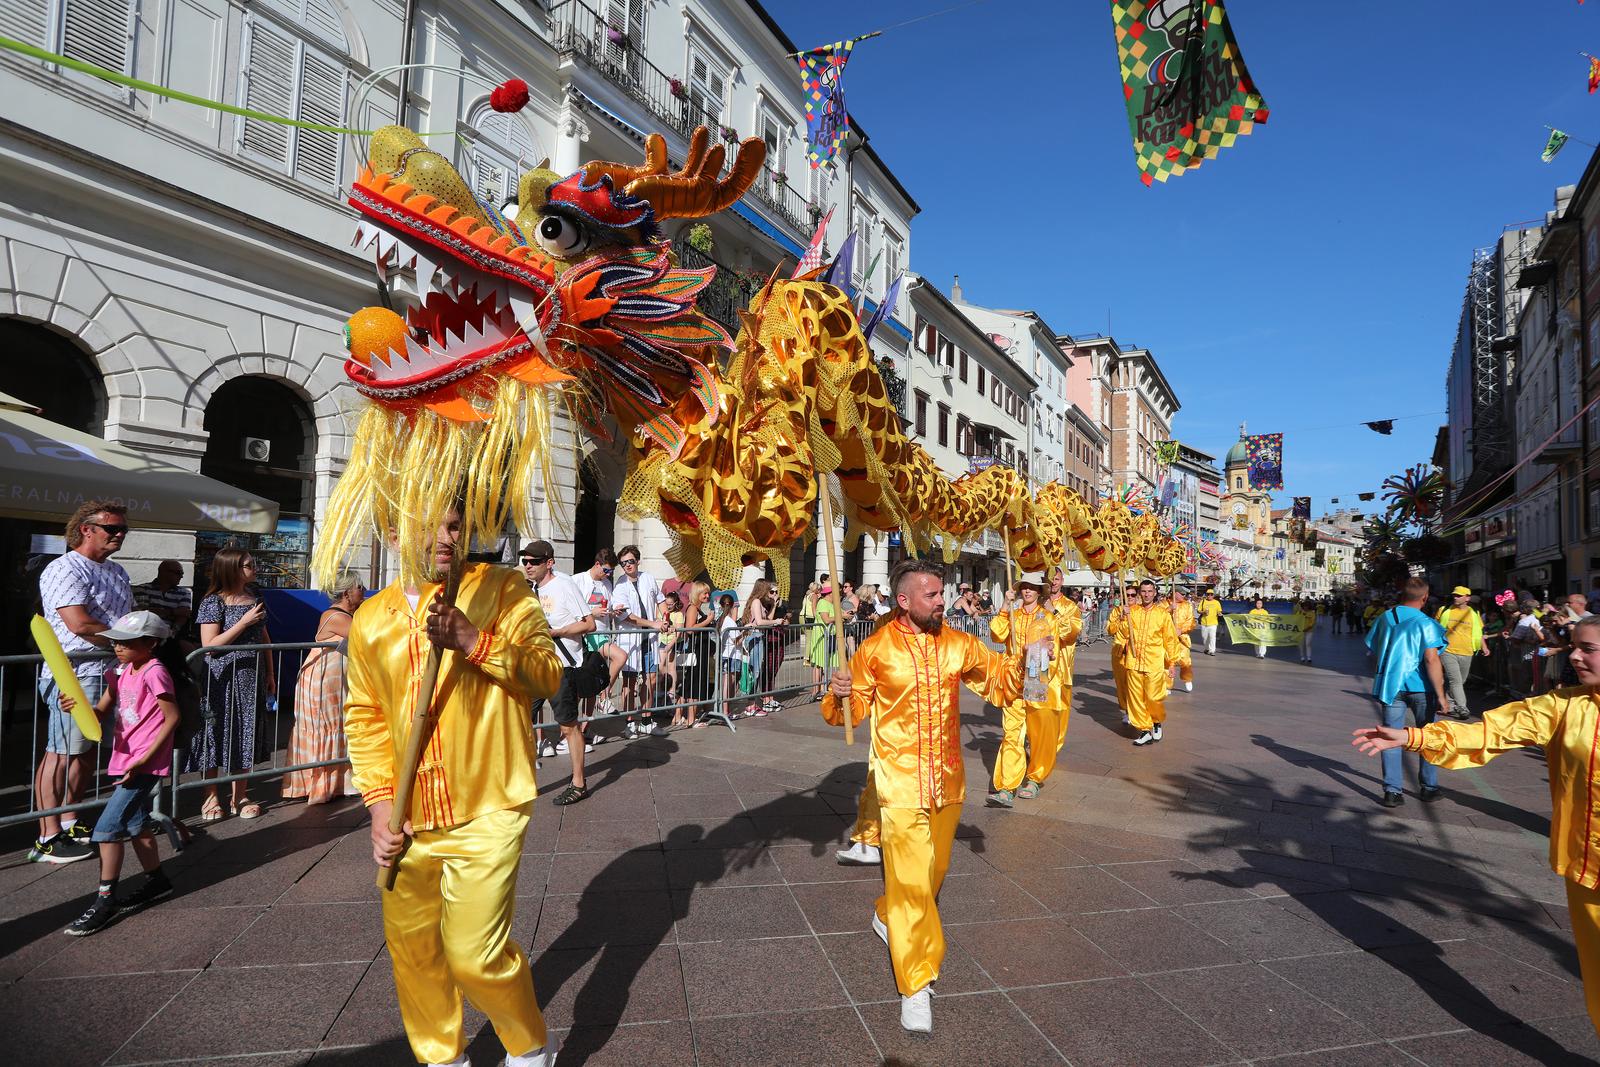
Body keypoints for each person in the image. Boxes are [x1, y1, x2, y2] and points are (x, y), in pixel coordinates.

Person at [347, 506, 563, 1067]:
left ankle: (529, 1046)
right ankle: (441, 1057)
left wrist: (474, 639)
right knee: (414, 953)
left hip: (489, 802)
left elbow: (547, 674)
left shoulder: (503, 588)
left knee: (473, 955)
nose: (449, 538)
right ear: (394, 532)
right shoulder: (371, 618)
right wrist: (375, 804)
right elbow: (366, 715)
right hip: (406, 816)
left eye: (455, 525)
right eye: (432, 525)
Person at [1352, 614, 1600, 1042]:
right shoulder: (1565, 706)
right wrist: (1415, 738)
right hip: (1588, 870)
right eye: (1573, 644)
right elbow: (1491, 730)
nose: (1574, 655)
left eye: (1588, 648)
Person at [823, 559, 1022, 1035]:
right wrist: (840, 694)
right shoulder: (875, 650)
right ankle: (916, 983)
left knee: (933, 876)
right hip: (900, 783)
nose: (941, 601)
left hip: (948, 781)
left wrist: (1023, 659)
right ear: (904, 600)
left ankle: (885, 913)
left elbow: (999, 683)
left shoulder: (957, 642)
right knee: (913, 883)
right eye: (932, 595)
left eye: (941, 593)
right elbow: (849, 714)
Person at [57, 610, 181, 935]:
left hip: (143, 764)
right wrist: (75, 706)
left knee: (107, 829)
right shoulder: (120, 672)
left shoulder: (155, 671)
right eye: (116, 642)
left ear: (151, 643)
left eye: (126, 643)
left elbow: (172, 717)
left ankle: (105, 898)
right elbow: (99, 712)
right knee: (137, 823)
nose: (118, 648)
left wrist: (145, 760)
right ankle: (157, 880)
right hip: (127, 760)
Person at [31, 500, 134, 864]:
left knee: (87, 752)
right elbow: (79, 623)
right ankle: (47, 834)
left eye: (123, 529)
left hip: (109, 670)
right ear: (86, 529)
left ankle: (70, 818)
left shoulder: (118, 571)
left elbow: (123, 619)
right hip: (73, 673)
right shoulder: (64, 568)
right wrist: (127, 640)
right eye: (112, 528)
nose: (120, 534)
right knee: (60, 752)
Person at [524, 541, 626, 804]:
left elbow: (589, 624)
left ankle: (579, 783)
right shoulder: (531, 589)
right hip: (537, 666)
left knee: (568, 728)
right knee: (520, 722)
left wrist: (557, 632)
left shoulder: (564, 585)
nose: (528, 566)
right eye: (525, 561)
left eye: (534, 562)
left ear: (549, 562)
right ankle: (523, 783)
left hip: (562, 668)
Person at [188, 548, 274, 821]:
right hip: (221, 677)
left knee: (244, 732)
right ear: (233, 569)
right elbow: (209, 646)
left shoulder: (255, 597)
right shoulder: (213, 602)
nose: (255, 568)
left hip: (252, 674)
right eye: (249, 565)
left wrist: (270, 672)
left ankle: (240, 794)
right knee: (215, 732)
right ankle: (210, 796)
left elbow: (264, 638)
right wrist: (244, 621)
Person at [1363, 577, 1449, 808]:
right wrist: (1441, 695)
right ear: (1425, 597)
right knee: (1428, 737)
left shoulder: (1385, 618)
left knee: (1389, 737)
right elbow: (1431, 659)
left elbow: (1374, 647)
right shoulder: (1426, 622)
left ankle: (1392, 791)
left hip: (1391, 686)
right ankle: (1429, 787)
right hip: (1422, 687)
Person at [283, 570, 365, 804]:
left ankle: (339, 783)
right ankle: (320, 784)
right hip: (323, 681)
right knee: (327, 726)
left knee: (338, 725)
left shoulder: (348, 614)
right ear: (347, 591)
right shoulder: (337, 616)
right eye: (360, 587)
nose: (364, 591)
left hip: (333, 680)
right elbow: (367, 637)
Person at [987, 574, 1055, 807]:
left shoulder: (1046, 617)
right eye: (1024, 587)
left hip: (1036, 679)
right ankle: (1007, 786)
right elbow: (997, 634)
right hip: (1012, 680)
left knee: (1037, 734)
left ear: (1039, 592)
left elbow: (1051, 645)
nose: (1027, 591)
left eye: (1032, 587)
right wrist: (1005, 606)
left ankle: (1035, 779)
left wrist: (1049, 651)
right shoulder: (1012, 615)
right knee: (1012, 734)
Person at [1107, 580, 1181, 747]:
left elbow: (1170, 640)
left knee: (1153, 697)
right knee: (1135, 699)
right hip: (1134, 662)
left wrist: (1171, 663)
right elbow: (1122, 632)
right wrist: (1122, 616)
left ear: (1155, 593)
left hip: (1154, 662)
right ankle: (1145, 729)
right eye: (1144, 591)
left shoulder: (1162, 614)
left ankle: (1156, 721)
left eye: (1150, 591)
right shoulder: (1133, 612)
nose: (1146, 594)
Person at [610, 545, 665, 737]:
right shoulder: (620, 585)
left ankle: (647, 720)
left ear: (637, 561)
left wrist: (664, 618)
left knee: (650, 679)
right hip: (630, 639)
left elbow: (660, 600)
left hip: (648, 639)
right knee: (629, 682)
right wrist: (653, 623)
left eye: (630, 561)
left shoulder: (648, 578)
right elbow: (625, 616)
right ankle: (629, 722)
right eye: (623, 563)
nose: (627, 565)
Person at [1435, 585, 1485, 720]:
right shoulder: (1444, 610)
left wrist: (1484, 647)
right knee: (1455, 680)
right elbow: (1434, 629)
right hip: (1448, 651)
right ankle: (1462, 707)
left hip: (1467, 651)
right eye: (1454, 595)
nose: (1455, 597)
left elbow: (1478, 632)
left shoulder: (1474, 612)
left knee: (1460, 681)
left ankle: (1448, 705)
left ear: (1467, 598)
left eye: (1459, 595)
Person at [739, 580, 779, 716]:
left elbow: (767, 618)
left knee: (756, 670)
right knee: (754, 671)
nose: (772, 593)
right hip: (755, 637)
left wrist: (773, 606)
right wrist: (776, 622)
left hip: (759, 636)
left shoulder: (761, 602)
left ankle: (752, 704)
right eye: (770, 590)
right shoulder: (756, 602)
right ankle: (750, 705)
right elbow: (761, 622)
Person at [132, 559, 192, 634]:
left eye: (182, 573)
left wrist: (172, 632)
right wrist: (173, 612)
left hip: (171, 635)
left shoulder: (184, 593)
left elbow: (183, 615)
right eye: (178, 573)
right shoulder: (142, 589)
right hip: (145, 633)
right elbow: (142, 614)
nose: (181, 576)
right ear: (163, 572)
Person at [657, 591, 685, 724]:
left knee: (671, 665)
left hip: (673, 642)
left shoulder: (679, 614)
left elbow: (679, 632)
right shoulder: (661, 612)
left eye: (670, 604)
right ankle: (665, 686)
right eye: (666, 604)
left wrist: (670, 645)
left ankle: (672, 689)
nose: (668, 606)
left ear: (676, 603)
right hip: (662, 640)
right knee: (661, 666)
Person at [1168, 587, 1196, 690]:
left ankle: (1187, 678)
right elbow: (1158, 617)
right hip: (1168, 638)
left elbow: (1191, 621)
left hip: (1182, 638)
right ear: (1175, 593)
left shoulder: (1187, 605)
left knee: (1185, 661)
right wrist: (1169, 609)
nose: (1184, 596)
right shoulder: (1164, 604)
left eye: (1184, 594)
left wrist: (1181, 630)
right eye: (1182, 594)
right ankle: (1167, 685)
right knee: (1168, 662)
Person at [1196, 587, 1223, 656]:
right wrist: (1203, 612)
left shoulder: (1216, 602)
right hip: (1204, 622)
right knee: (1204, 638)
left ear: (1213, 595)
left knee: (1212, 637)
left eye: (1211, 594)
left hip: (1213, 623)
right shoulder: (1203, 601)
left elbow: (1219, 611)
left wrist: (1219, 613)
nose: (1209, 596)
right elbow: (1198, 610)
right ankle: (1207, 648)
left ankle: (1212, 650)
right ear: (1206, 595)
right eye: (1208, 594)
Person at [1296, 600, 1318, 664]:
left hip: (1309, 631)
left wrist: (1308, 628)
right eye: (1304, 606)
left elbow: (1312, 622)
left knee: (1308, 644)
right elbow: (1295, 618)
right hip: (1301, 631)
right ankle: (1302, 657)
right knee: (1301, 644)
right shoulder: (1300, 612)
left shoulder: (1312, 613)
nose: (1305, 607)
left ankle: (1309, 657)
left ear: (1309, 607)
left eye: (1307, 606)